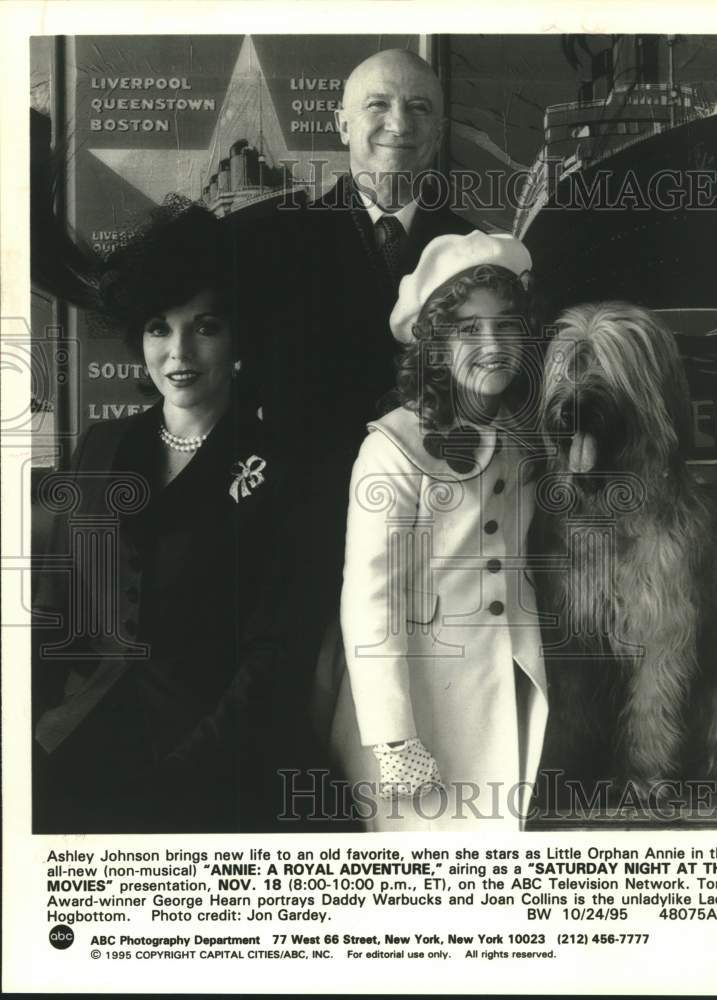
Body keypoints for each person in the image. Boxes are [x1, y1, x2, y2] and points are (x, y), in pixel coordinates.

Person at [32, 201, 313, 833]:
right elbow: (55, 609)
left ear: (238, 335)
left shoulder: (280, 468)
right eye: (159, 328)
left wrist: (183, 773)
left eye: (204, 326)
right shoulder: (102, 448)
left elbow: (276, 654)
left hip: (219, 768)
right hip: (82, 745)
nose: (179, 351)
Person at [229, 50, 473, 671]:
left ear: (439, 131)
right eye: (379, 104)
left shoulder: (475, 254)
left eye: (420, 107)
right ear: (341, 125)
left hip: (434, 545)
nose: (400, 121)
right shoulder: (269, 242)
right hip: (296, 540)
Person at [324, 230, 549, 830]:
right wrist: (393, 738)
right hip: (417, 713)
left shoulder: (525, 440)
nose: (493, 344)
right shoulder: (392, 450)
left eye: (505, 325)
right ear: (434, 346)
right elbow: (370, 602)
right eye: (468, 330)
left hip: (502, 691)